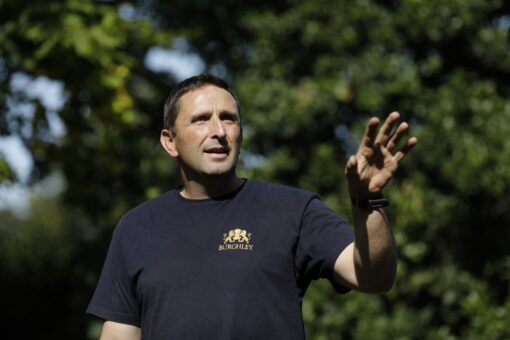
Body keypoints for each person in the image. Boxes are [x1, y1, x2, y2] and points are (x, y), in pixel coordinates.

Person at [87, 74, 417, 339]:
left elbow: (375, 278)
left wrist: (368, 201)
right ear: (169, 141)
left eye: (228, 119)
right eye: (201, 120)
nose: (218, 131)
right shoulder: (137, 228)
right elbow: (119, 332)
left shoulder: (292, 209)